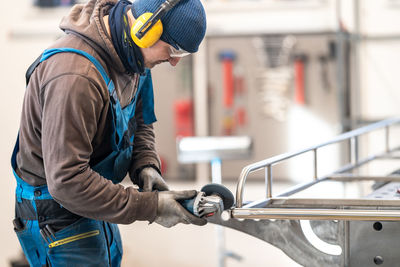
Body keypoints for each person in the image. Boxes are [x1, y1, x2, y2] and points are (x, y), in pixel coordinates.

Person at [11, 0, 207, 266]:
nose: (173, 61)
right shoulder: (75, 77)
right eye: (174, 50)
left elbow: (141, 121)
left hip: (94, 198)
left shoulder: (133, 58)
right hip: (57, 215)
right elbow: (66, 181)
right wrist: (152, 207)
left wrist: (145, 166)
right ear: (146, 29)